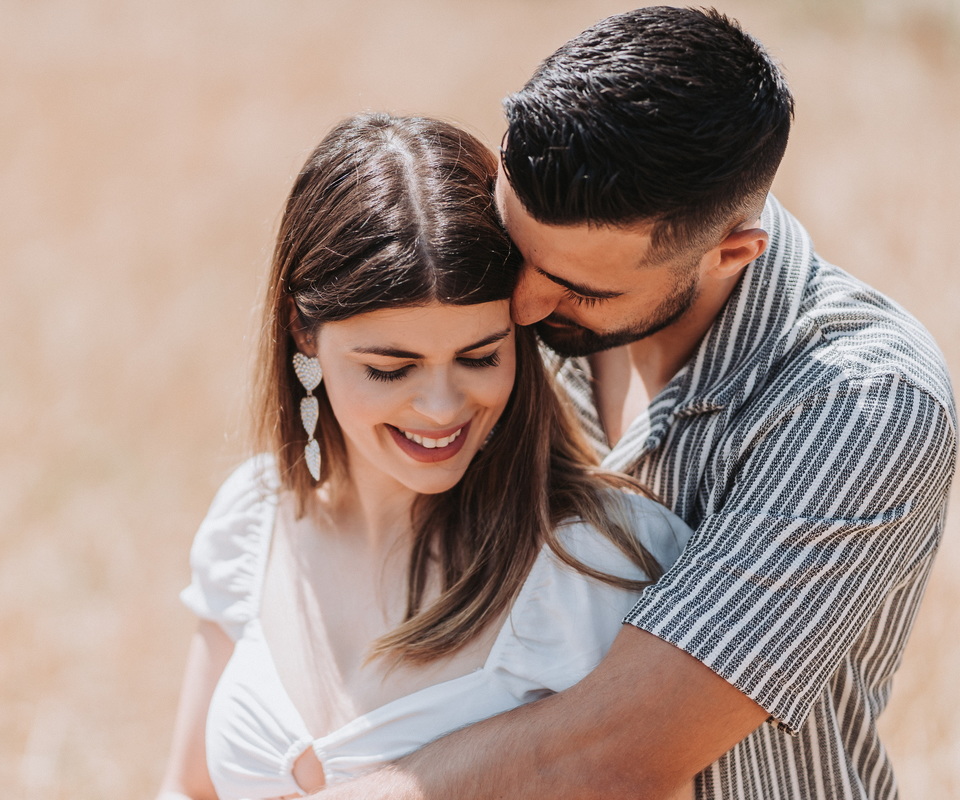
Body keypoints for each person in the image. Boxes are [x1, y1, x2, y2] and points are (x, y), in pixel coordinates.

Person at [310, 7, 957, 800]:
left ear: (730, 253)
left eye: (580, 288)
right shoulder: (535, 303)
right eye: (519, 250)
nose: (520, 308)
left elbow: (618, 751)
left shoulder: (859, 404)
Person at [157, 112, 694, 800]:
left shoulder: (597, 568)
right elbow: (188, 788)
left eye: (479, 357)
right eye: (390, 367)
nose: (442, 408)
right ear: (302, 331)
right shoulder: (252, 518)